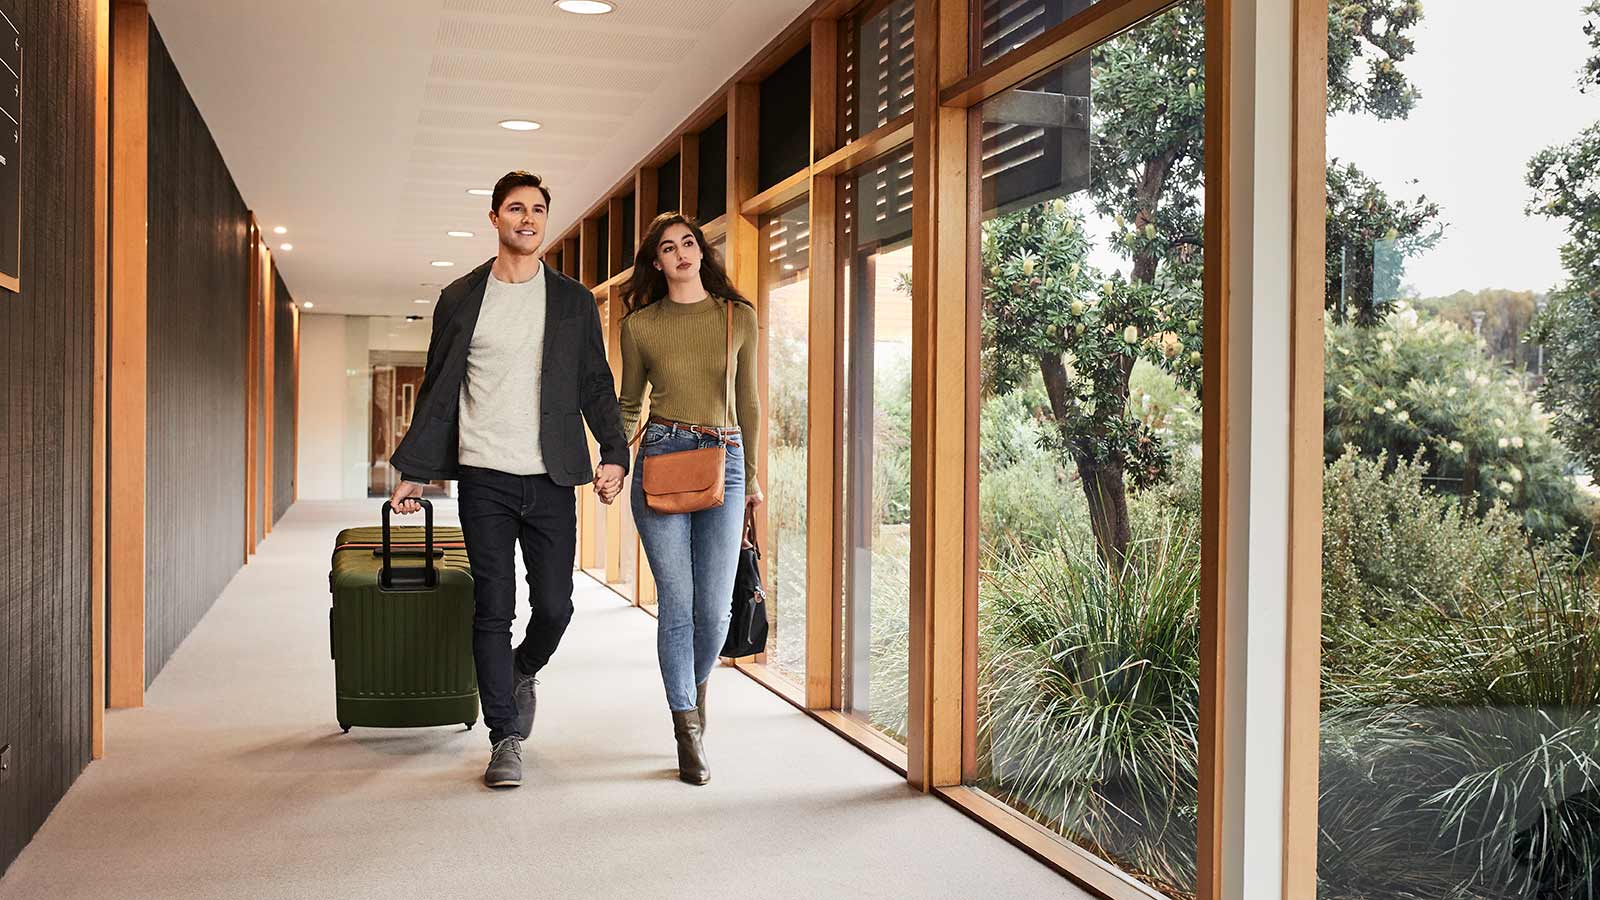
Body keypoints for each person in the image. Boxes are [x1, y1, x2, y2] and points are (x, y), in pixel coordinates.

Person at [388, 170, 628, 790]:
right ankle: (505, 737)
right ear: (494, 219)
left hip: (552, 476)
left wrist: (614, 451)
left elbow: (596, 384)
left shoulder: (573, 301)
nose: (528, 219)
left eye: (538, 210)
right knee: (493, 606)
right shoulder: (461, 297)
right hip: (484, 475)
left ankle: (522, 670)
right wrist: (416, 470)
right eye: (516, 209)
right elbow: (440, 390)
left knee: (555, 604)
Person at [617, 212, 763, 785]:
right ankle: (687, 726)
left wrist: (750, 478)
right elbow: (630, 404)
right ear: (656, 262)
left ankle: (693, 700)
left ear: (701, 252)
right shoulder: (641, 327)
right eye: (668, 248)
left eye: (689, 244)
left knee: (714, 610)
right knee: (677, 606)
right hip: (661, 456)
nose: (681, 253)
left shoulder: (738, 318)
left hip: (724, 461)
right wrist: (608, 460)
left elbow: (748, 405)